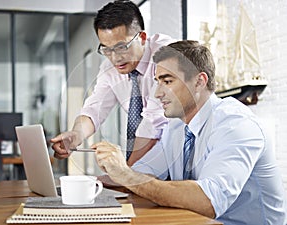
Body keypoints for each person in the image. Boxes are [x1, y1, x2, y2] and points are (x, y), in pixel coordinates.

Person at [92, 40, 287, 224]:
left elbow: (208, 200)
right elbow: (142, 173)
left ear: (199, 82)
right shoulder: (175, 127)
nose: (158, 93)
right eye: (157, 82)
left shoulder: (235, 125)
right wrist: (104, 174)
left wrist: (127, 175)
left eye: (167, 81)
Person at [51, 0, 175, 166]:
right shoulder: (109, 68)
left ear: (142, 38)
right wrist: (75, 135)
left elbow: (153, 124)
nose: (115, 57)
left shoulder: (166, 55)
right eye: (106, 49)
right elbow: (94, 109)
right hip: (146, 163)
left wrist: (127, 174)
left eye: (122, 47)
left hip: (178, 156)